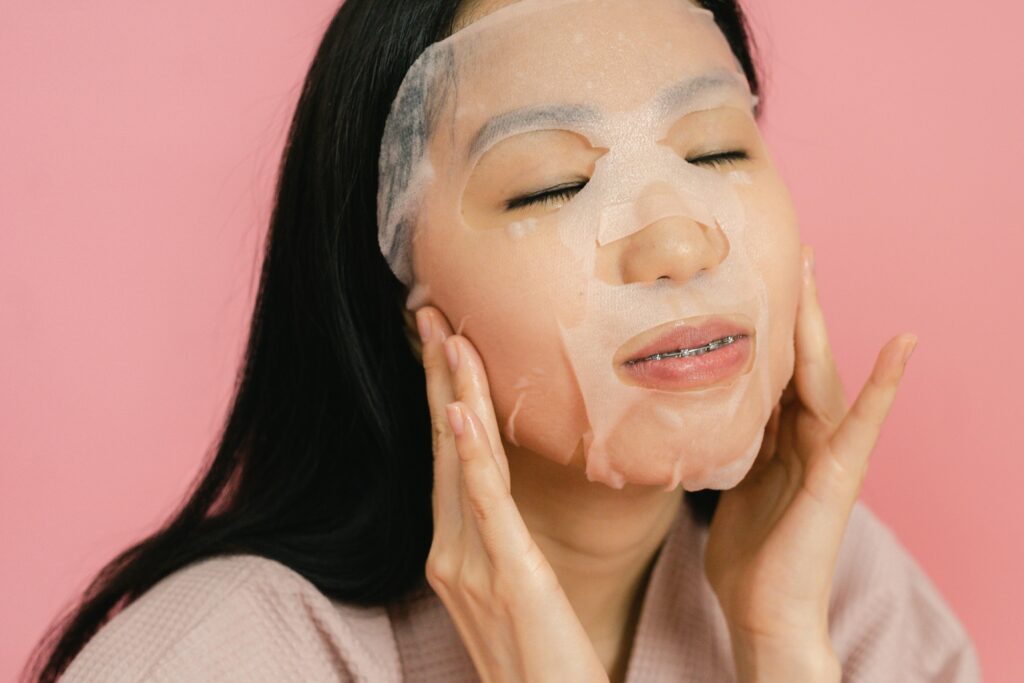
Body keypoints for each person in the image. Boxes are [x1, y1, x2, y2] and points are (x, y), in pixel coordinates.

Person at [24, 0, 981, 681]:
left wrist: (781, 646)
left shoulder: (842, 595)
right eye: (551, 186)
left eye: (715, 149)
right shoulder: (221, 658)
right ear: (409, 301)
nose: (683, 240)